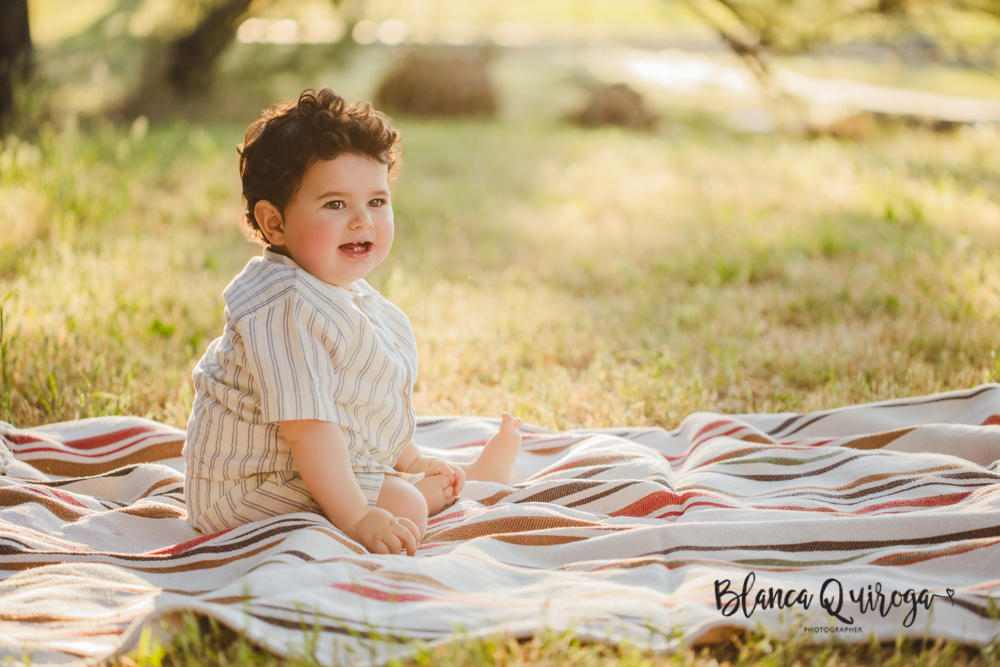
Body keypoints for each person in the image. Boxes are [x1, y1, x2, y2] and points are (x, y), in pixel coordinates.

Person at [183, 87, 522, 556]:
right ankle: (437, 495)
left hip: (303, 467)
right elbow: (309, 429)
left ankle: (442, 486)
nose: (363, 221)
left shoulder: (339, 291)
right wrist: (359, 517)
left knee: (402, 490)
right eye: (336, 205)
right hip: (249, 493)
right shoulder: (283, 307)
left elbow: (359, 403)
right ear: (275, 223)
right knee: (403, 505)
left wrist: (414, 458)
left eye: (377, 202)